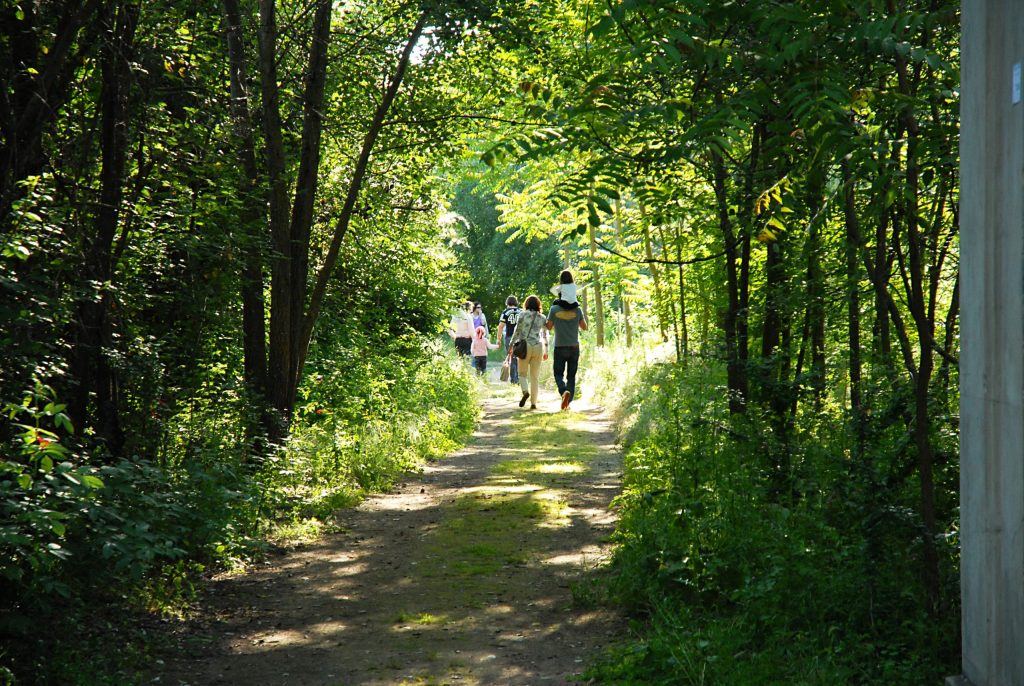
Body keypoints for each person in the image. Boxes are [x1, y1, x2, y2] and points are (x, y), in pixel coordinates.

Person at [546, 270, 588, 410]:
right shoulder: (578, 309)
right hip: (574, 347)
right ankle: (567, 403)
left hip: (560, 346)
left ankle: (564, 392)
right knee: (571, 375)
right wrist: (578, 316)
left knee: (558, 373)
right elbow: (584, 327)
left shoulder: (554, 308)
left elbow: (549, 327)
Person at [508, 294, 548, 410]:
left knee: (522, 374)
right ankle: (534, 403)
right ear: (538, 305)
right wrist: (546, 351)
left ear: (526, 304)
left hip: (525, 347)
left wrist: (511, 345)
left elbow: (517, 331)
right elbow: (545, 336)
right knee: (535, 377)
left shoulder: (522, 314)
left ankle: (525, 391)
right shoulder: (542, 317)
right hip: (538, 346)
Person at [495, 296, 522, 384]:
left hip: (509, 337)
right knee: (519, 358)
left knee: (511, 357)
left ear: (507, 303)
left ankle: (514, 379)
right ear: (516, 303)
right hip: (519, 338)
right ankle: (518, 378)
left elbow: (501, 326)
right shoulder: (521, 312)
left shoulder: (505, 312)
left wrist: (498, 339)